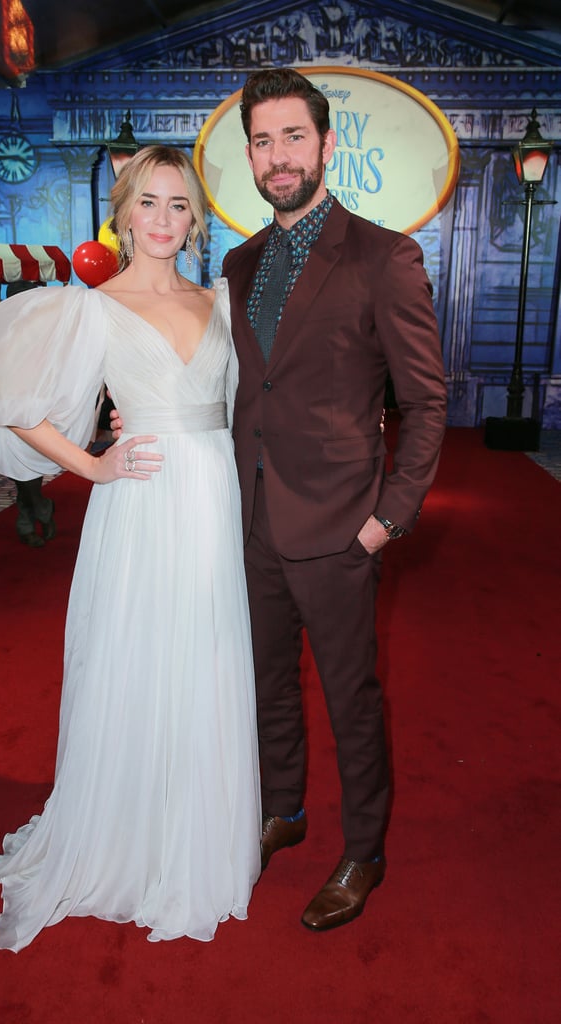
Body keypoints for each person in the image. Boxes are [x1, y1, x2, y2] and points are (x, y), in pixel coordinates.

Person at [0, 145, 261, 950]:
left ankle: (196, 836)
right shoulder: (90, 307)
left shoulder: (224, 299)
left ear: (196, 219)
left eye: (177, 205)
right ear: (121, 215)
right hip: (141, 504)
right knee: (134, 660)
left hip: (217, 502)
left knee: (206, 661)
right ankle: (123, 834)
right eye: (146, 203)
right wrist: (88, 462)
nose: (161, 219)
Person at [223, 67, 448, 932]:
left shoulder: (384, 256)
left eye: (293, 137)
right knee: (268, 682)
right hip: (252, 518)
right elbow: (249, 389)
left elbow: (428, 401)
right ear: (248, 152)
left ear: (325, 144)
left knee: (351, 696)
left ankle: (364, 849)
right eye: (263, 140)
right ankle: (285, 810)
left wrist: (387, 518)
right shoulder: (240, 264)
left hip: (340, 527)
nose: (278, 156)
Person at [4, 281, 57, 548]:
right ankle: (40, 510)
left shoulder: (45, 331)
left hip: (37, 407)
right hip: (8, 407)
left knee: (29, 466)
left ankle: (31, 516)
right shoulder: (3, 332)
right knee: (19, 468)